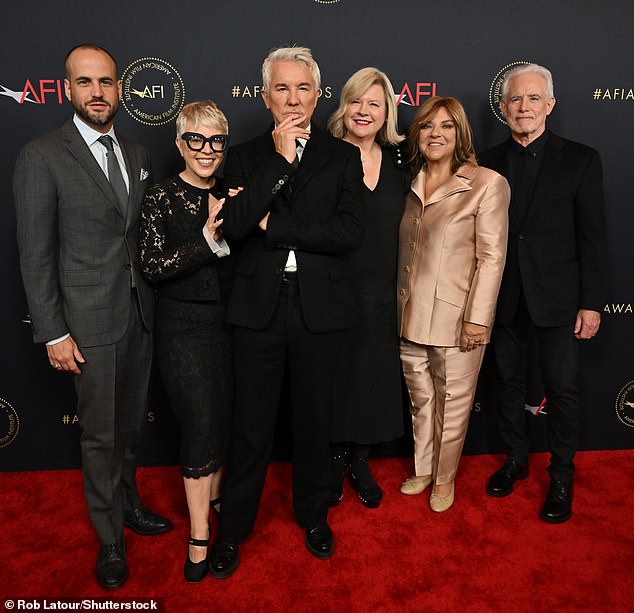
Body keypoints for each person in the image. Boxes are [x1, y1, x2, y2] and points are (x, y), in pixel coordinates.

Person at [13, 44, 171, 590]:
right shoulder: (42, 155)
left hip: (137, 316)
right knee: (100, 437)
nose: (98, 93)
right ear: (67, 89)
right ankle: (109, 539)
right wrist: (53, 330)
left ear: (120, 90)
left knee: (128, 430)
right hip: (85, 324)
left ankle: (128, 503)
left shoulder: (133, 148)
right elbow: (35, 255)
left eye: (106, 82)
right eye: (86, 83)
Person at [209, 46, 364, 578]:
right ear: (265, 95)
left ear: (318, 96)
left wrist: (274, 227)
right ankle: (233, 530)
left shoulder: (342, 157)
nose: (293, 98)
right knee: (251, 425)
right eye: (281, 88)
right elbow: (231, 226)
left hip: (321, 309)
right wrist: (278, 159)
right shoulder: (248, 155)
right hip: (257, 308)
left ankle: (314, 515)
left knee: (314, 423)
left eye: (302, 88)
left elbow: (349, 233)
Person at [479, 64, 607, 523]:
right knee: (508, 382)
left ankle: (561, 476)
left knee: (562, 388)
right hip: (503, 294)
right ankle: (514, 459)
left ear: (550, 105)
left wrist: (591, 301)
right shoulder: (484, 162)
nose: (524, 107)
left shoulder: (581, 159)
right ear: (503, 107)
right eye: (515, 99)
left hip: (558, 296)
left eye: (534, 99)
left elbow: (593, 236)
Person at [398, 96, 510, 512]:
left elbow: (492, 258)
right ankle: (424, 469)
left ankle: (445, 480)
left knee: (454, 405)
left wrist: (478, 320)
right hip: (409, 317)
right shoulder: (409, 181)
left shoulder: (487, 183)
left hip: (458, 320)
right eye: (427, 127)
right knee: (421, 401)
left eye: (446, 126)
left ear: (460, 133)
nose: (436, 135)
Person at [139, 101, 234, 582]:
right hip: (182, 331)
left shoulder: (234, 194)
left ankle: (217, 497)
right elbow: (153, 267)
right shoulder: (160, 196)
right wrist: (204, 240)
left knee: (222, 420)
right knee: (198, 425)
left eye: (216, 140)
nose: (206, 149)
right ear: (179, 143)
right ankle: (199, 533)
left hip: (231, 328)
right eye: (195, 139)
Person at [326, 67, 408, 509]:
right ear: (344, 106)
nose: (364, 111)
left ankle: (360, 459)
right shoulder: (324, 155)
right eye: (356, 101)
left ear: (386, 111)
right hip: (334, 287)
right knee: (336, 376)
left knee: (373, 375)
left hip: (383, 290)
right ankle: (334, 457)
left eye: (374, 104)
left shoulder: (400, 161)